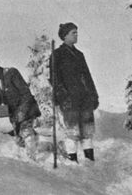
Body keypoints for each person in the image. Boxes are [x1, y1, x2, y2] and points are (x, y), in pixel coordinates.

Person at [49, 22, 99, 163]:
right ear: (65, 36)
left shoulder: (79, 55)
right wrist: (63, 97)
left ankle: (90, 162)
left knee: (87, 132)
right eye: (73, 33)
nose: (76, 35)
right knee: (72, 132)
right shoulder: (57, 55)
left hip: (85, 99)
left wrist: (94, 95)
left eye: (77, 32)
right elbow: (54, 79)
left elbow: (87, 77)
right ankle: (73, 162)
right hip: (69, 100)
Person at [0, 54, 41, 153]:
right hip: (15, 116)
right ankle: (42, 146)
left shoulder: (11, 73)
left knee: (26, 133)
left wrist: (22, 113)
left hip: (27, 110)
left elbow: (26, 94)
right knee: (19, 141)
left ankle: (34, 158)